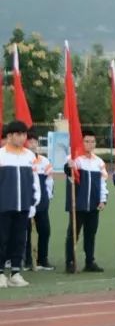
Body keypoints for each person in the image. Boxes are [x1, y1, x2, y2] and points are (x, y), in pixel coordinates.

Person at [0, 121, 40, 287]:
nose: (23, 137)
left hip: (23, 205)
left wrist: (33, 202)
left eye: (24, 134)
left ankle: (16, 272)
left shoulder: (29, 156)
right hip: (4, 205)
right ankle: (1, 273)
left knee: (19, 239)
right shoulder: (1, 155)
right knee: (2, 239)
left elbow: (35, 181)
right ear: (9, 136)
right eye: (19, 134)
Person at [64, 130, 108, 273]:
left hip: (93, 205)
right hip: (78, 204)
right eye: (87, 141)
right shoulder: (75, 159)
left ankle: (90, 262)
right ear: (81, 142)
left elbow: (103, 183)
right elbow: (70, 174)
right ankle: (70, 261)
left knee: (90, 234)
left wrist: (103, 199)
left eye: (92, 141)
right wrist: (68, 166)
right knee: (73, 234)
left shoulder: (99, 162)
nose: (90, 144)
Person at [23, 132, 54, 271]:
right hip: (24, 202)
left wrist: (48, 197)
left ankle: (42, 259)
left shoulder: (44, 161)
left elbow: (49, 181)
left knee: (45, 230)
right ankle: (27, 260)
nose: (32, 145)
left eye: (34, 142)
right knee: (25, 232)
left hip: (41, 202)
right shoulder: (22, 160)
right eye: (29, 142)